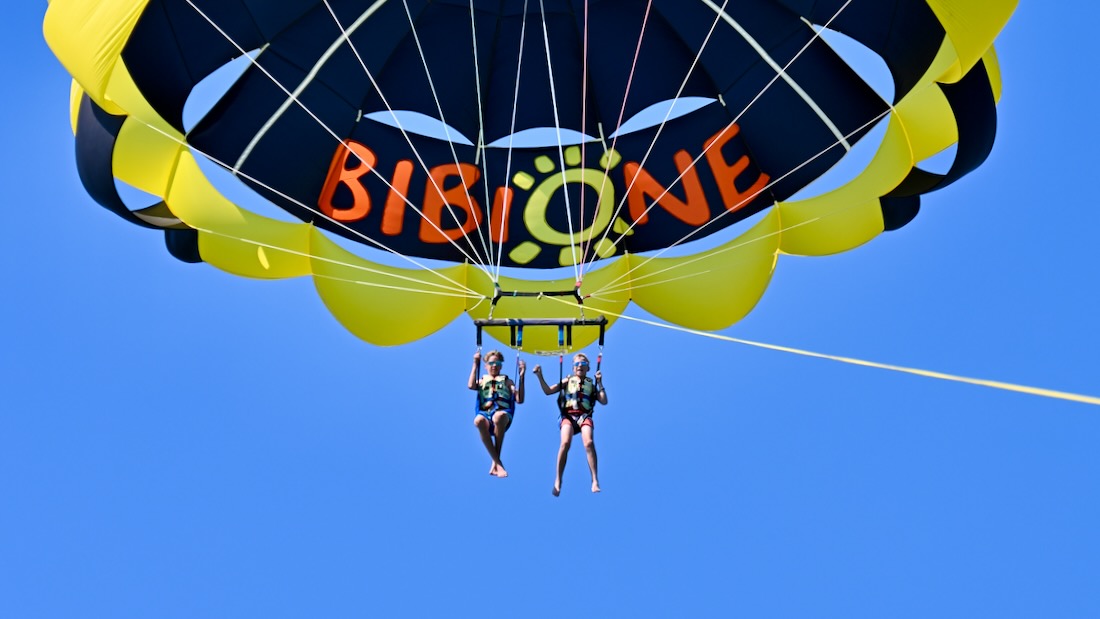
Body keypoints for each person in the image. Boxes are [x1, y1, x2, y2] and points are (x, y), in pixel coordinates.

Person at [533, 353, 608, 496]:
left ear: (588, 368)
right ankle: (558, 480)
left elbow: (604, 401)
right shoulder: (567, 380)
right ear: (573, 367)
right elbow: (548, 391)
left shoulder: (591, 385)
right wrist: (539, 376)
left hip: (584, 416)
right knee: (565, 443)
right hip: (568, 415)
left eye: (583, 364)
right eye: (577, 364)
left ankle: (594, 480)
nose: (580, 366)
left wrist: (599, 383)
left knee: (589, 443)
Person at [469, 349, 525, 478]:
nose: (494, 366)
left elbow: (519, 399)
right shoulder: (482, 380)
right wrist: (474, 364)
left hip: (503, 414)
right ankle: (497, 463)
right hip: (486, 414)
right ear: (486, 365)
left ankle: (496, 462)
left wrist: (522, 377)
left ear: (501, 366)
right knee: (478, 421)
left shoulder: (507, 381)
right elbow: (471, 385)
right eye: (491, 363)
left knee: (498, 416)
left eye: (497, 363)